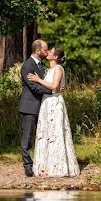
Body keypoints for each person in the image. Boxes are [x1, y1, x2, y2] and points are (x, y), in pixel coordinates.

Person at [27, 47, 80, 178]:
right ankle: (45, 166)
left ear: (56, 57)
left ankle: (58, 166)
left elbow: (55, 86)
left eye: (50, 52)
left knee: (55, 132)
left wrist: (38, 80)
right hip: (46, 102)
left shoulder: (58, 69)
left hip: (55, 103)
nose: (48, 53)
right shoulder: (49, 70)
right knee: (46, 132)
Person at [19, 40, 55, 177]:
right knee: (27, 137)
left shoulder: (40, 65)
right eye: (45, 50)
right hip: (29, 106)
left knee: (41, 135)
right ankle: (27, 166)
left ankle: (41, 162)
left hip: (41, 105)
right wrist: (51, 90)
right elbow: (33, 86)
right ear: (37, 50)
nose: (47, 52)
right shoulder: (27, 65)